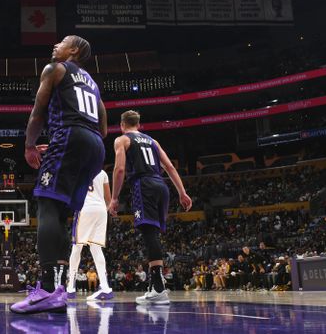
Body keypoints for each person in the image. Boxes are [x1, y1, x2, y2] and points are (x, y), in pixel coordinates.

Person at [12, 35, 107, 314]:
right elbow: (102, 128)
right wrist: (70, 141)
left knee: (46, 205)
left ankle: (45, 290)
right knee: (63, 214)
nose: (55, 46)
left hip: (70, 137)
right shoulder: (93, 84)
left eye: (62, 43)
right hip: (95, 147)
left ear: (73, 51)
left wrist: (30, 145)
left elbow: (37, 112)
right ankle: (58, 291)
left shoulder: (55, 69)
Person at [108, 110, 192, 305]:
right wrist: (182, 192)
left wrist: (114, 198)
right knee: (153, 234)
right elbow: (170, 167)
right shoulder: (153, 141)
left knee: (149, 235)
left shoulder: (122, 140)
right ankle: (156, 285)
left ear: (122, 125)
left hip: (143, 185)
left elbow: (119, 169)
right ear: (139, 124)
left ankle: (158, 288)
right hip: (161, 185)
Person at [66, 170, 113, 301]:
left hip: (85, 209)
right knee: (96, 248)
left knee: (77, 248)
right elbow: (109, 199)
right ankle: (105, 287)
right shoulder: (103, 173)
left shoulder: (79, 169)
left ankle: (70, 287)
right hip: (101, 210)